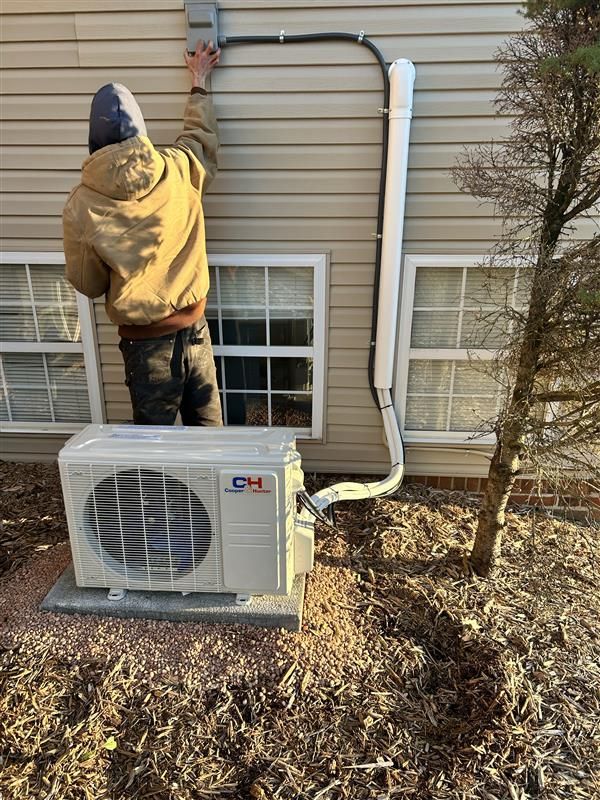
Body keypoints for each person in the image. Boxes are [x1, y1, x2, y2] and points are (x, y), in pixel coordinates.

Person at [63, 41, 222, 426]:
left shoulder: (81, 206)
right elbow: (200, 138)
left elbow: (88, 283)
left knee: (154, 445)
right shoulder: (178, 167)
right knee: (211, 440)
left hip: (145, 347)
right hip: (196, 330)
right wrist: (198, 81)